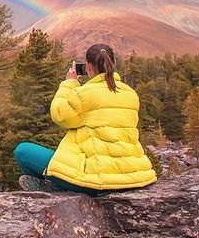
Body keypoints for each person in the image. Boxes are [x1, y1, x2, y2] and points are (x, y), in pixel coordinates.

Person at [14, 43, 156, 195]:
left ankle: (53, 188)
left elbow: (59, 115)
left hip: (95, 182)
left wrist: (69, 83)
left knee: (23, 151)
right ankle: (55, 187)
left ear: (87, 66)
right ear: (114, 63)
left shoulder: (83, 93)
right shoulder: (131, 94)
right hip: (132, 177)